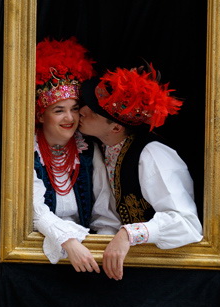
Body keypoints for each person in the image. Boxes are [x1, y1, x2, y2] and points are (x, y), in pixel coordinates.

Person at [78, 65, 202, 281]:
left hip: (160, 271)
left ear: (116, 128)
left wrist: (129, 234)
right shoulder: (103, 148)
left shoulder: (152, 155)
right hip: (124, 265)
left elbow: (187, 224)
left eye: (93, 111)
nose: (82, 111)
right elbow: (107, 214)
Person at [30, 38, 118, 272]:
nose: (69, 118)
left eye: (74, 109)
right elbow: (35, 211)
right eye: (59, 110)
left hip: (87, 251)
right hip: (39, 253)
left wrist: (101, 247)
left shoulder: (87, 150)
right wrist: (68, 242)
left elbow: (104, 212)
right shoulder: (30, 151)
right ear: (41, 116)